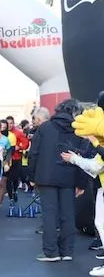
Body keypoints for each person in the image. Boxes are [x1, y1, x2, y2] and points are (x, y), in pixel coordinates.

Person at [28, 99, 88, 261]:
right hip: (69, 176)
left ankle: (51, 252)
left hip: (46, 176)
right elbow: (83, 156)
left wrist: (31, 177)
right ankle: (67, 251)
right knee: (68, 214)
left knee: (49, 214)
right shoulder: (78, 129)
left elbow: (33, 153)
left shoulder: (45, 128)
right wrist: (81, 183)